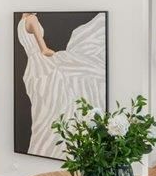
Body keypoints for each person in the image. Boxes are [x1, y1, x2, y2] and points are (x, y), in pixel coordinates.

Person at [17, 12, 106, 158]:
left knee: (45, 108)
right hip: (43, 63)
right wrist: (50, 53)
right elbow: (43, 48)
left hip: (32, 67)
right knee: (62, 98)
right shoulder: (32, 19)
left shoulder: (20, 22)